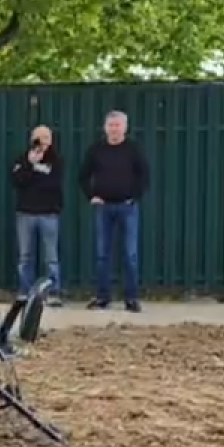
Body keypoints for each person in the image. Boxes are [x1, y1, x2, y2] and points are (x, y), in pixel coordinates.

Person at [78, 109, 149, 312]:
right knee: (103, 254)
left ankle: (131, 298)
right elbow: (83, 175)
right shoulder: (96, 150)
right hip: (104, 207)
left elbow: (144, 176)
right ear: (105, 127)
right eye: (111, 125)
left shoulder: (133, 149)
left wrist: (134, 197)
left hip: (127, 207)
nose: (114, 129)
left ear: (125, 128)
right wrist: (92, 195)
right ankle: (103, 297)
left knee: (130, 254)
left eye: (118, 125)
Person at [9, 124, 64, 304]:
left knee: (51, 257)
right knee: (25, 256)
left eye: (46, 138)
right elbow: (17, 181)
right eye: (38, 138)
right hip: (26, 213)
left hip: (48, 213)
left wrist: (36, 174)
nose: (42, 142)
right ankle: (26, 291)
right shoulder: (23, 158)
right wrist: (30, 165)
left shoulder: (55, 160)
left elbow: (54, 184)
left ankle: (53, 292)